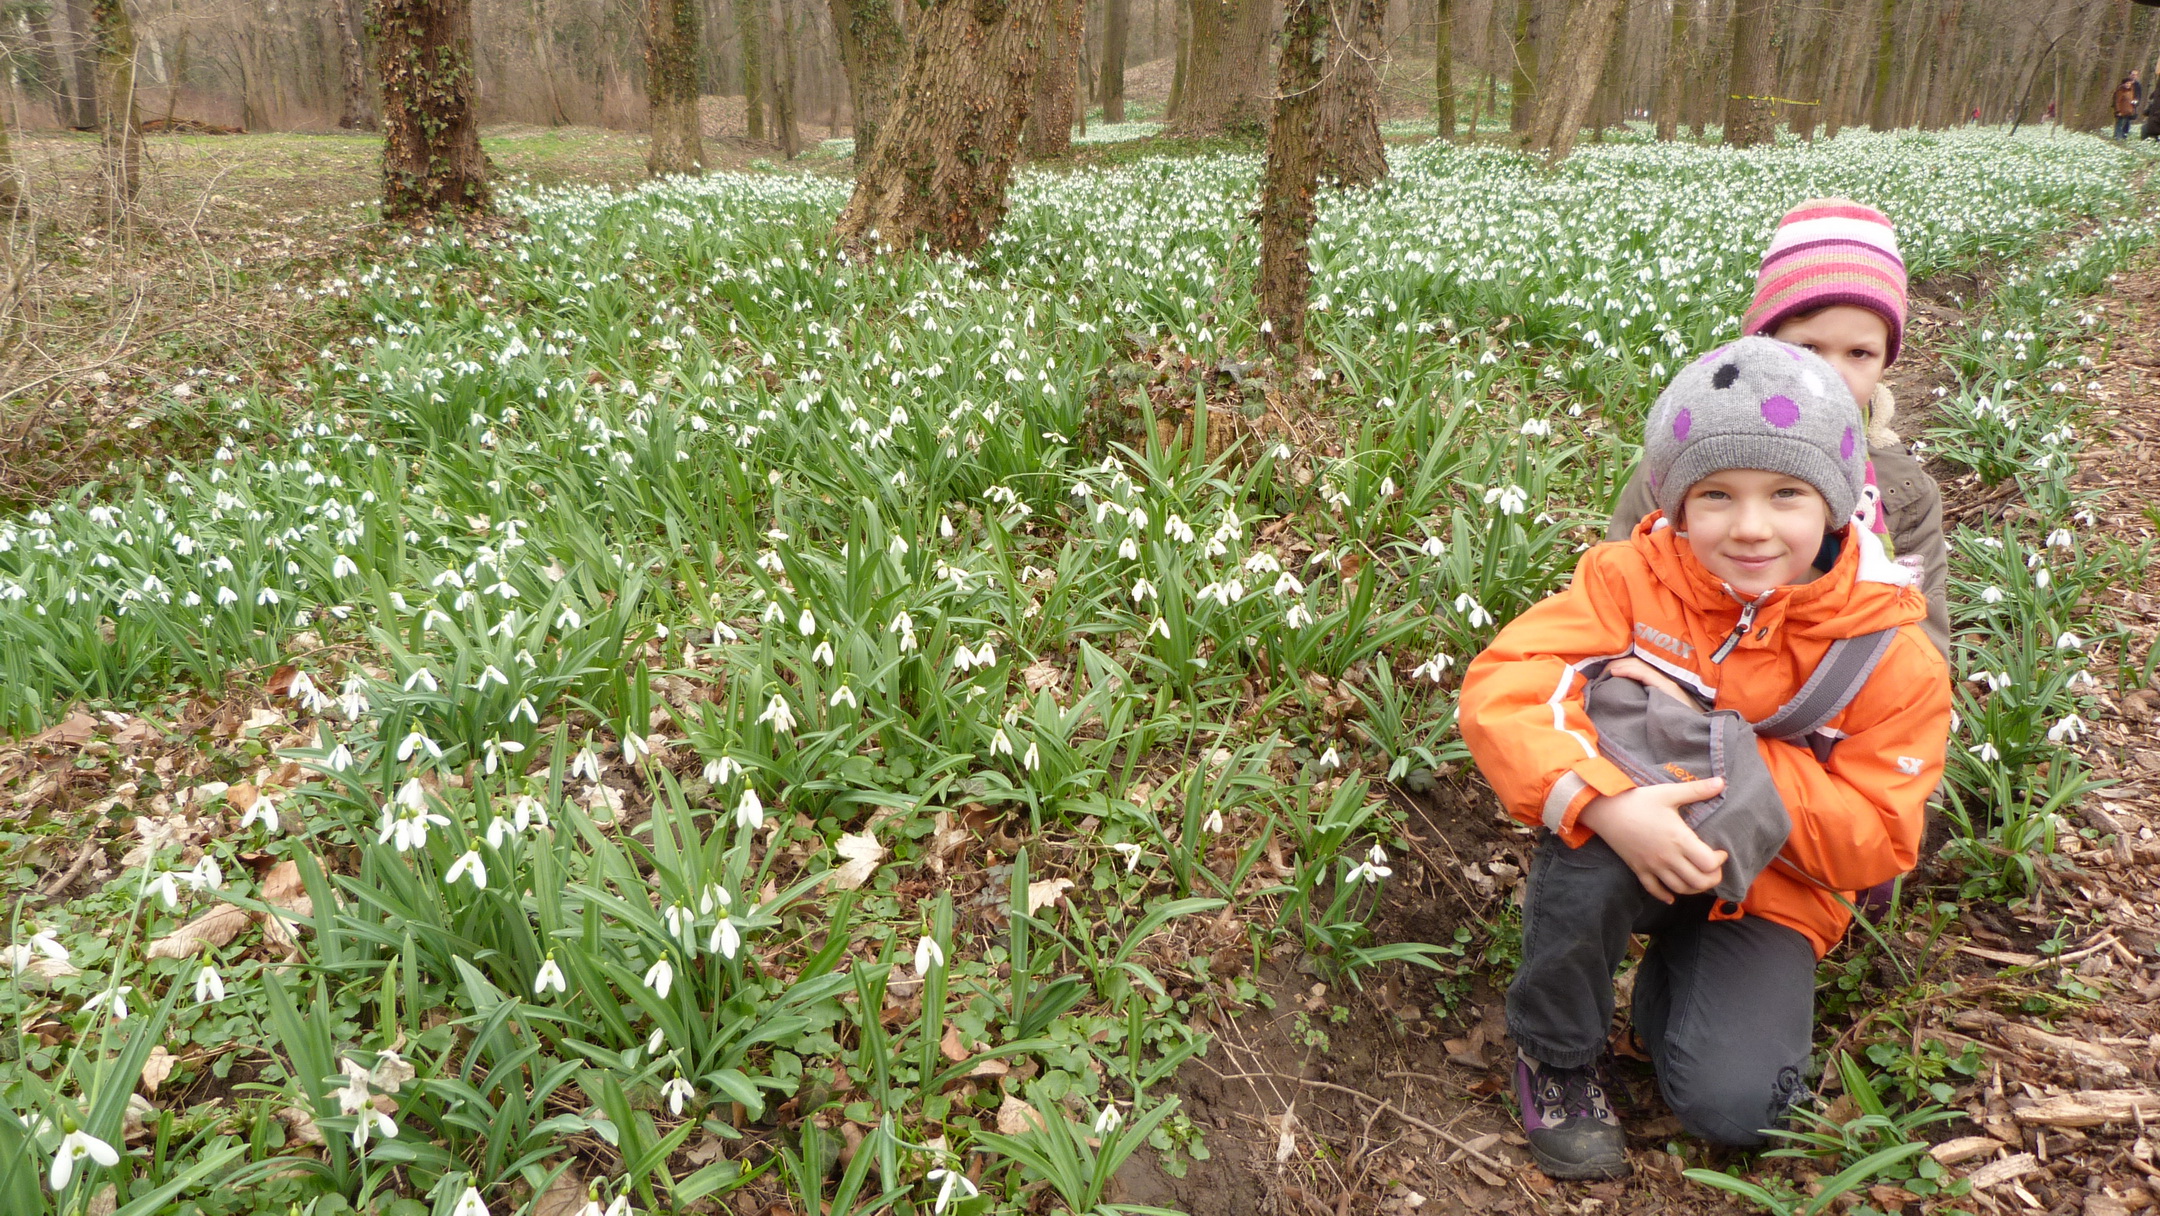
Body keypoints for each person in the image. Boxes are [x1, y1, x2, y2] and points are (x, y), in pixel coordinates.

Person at [1460, 337, 1952, 1180]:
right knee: (1583, 851)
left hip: (1773, 889)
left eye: (1787, 494)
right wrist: (1609, 805)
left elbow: (1877, 842)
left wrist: (1725, 749)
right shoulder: (1629, 581)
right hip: (1633, 842)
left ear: (1835, 504)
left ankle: (1672, 999)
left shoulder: (1889, 654)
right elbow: (1506, 684)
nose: (1751, 526)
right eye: (1716, 494)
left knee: (1740, 1108)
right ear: (1676, 504)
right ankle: (1557, 1053)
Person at [1609, 199, 1948, 660]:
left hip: (1835, 710)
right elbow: (1621, 595)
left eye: (1860, 353)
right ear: (1762, 346)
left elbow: (1921, 647)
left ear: (1887, 360)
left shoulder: (1904, 491)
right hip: (1683, 685)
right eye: (1807, 347)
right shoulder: (1686, 461)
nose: (1833, 374)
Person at [2115, 72, 2141, 140]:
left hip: (2129, 111)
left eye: (2129, 84)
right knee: (2120, 124)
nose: (2128, 85)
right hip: (2121, 110)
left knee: (2126, 124)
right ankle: (2118, 137)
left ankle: (2123, 136)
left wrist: (2135, 102)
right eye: (2127, 83)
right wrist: (2118, 111)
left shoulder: (2131, 91)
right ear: (2124, 84)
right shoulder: (2120, 91)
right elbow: (2117, 101)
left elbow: (2135, 98)